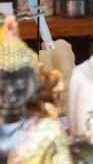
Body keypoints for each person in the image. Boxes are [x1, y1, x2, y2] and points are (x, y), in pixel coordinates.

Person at [0, 15, 70, 164]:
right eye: (2, 86)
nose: (9, 93)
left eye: (19, 85)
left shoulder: (47, 131)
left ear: (34, 84)